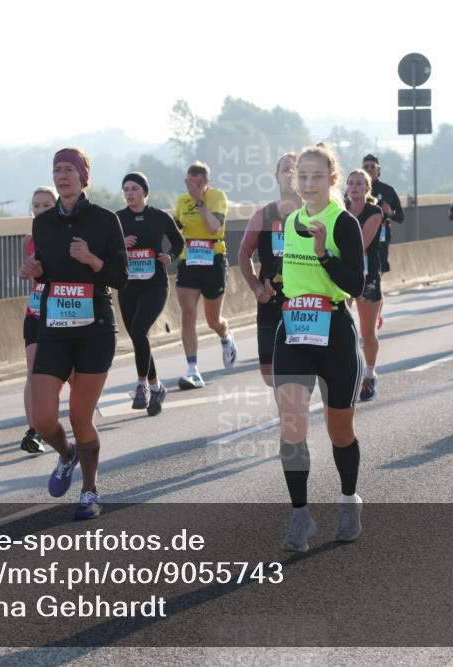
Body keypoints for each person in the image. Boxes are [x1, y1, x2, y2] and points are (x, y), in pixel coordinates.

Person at [19, 148, 127, 520]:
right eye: (57, 170)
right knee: (43, 418)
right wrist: (35, 271)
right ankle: (67, 455)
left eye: (69, 170)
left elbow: (121, 278)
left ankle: (90, 490)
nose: (62, 176)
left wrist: (93, 260)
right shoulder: (43, 224)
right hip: (54, 326)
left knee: (81, 414)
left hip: (95, 328)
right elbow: (47, 272)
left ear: (84, 177)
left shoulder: (105, 220)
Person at [274, 145, 365, 552]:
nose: (308, 184)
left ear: (331, 179)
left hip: (334, 331)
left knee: (339, 431)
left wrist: (325, 253)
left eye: (316, 176)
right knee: (292, 426)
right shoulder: (290, 220)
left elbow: (357, 285)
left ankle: (348, 501)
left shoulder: (342, 222)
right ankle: (301, 516)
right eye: (302, 177)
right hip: (294, 329)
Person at [117, 172, 184, 415]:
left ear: (144, 192)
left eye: (134, 188)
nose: (130, 193)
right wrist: (120, 245)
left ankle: (141, 385)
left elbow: (178, 242)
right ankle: (157, 388)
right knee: (138, 337)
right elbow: (105, 249)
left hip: (155, 284)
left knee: (138, 331)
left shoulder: (159, 217)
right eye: (126, 189)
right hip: (128, 286)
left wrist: (170, 256)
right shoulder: (118, 219)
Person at [238, 153, 300, 387]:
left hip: (303, 300)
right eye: (286, 169)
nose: (290, 174)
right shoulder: (263, 215)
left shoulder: (314, 214)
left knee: (300, 366)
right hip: (270, 299)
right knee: (268, 371)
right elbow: (243, 253)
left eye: (296, 170)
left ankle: (294, 414)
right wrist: (255, 286)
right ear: (276, 176)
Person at [174, 162, 235, 389]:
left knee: (213, 320)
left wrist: (199, 200)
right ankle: (193, 370)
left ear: (205, 182)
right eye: (189, 182)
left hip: (213, 258)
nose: (192, 187)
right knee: (188, 314)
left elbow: (213, 228)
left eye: (197, 183)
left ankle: (225, 336)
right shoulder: (181, 201)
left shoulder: (217, 197)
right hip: (189, 260)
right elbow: (175, 227)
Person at [18, 186, 58, 454]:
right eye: (37, 205)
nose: (41, 210)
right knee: (32, 371)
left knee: (55, 377)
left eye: (46, 205)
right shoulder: (28, 240)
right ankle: (33, 431)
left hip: (62, 313)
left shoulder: (67, 236)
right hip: (35, 312)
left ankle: (50, 424)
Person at [345, 169, 385, 401]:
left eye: (359, 183)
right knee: (344, 329)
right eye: (350, 183)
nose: (354, 186)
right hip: (344, 275)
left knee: (367, 332)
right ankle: (351, 372)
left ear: (367, 188)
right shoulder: (340, 212)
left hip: (368, 278)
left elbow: (360, 244)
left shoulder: (374, 212)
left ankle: (369, 373)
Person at [362, 154, 403, 276]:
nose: (369, 169)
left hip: (382, 233)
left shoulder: (388, 190)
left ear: (378, 170)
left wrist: (390, 213)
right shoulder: (356, 188)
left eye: (372, 167)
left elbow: (401, 217)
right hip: (361, 231)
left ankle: (375, 289)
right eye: (366, 167)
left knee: (378, 268)